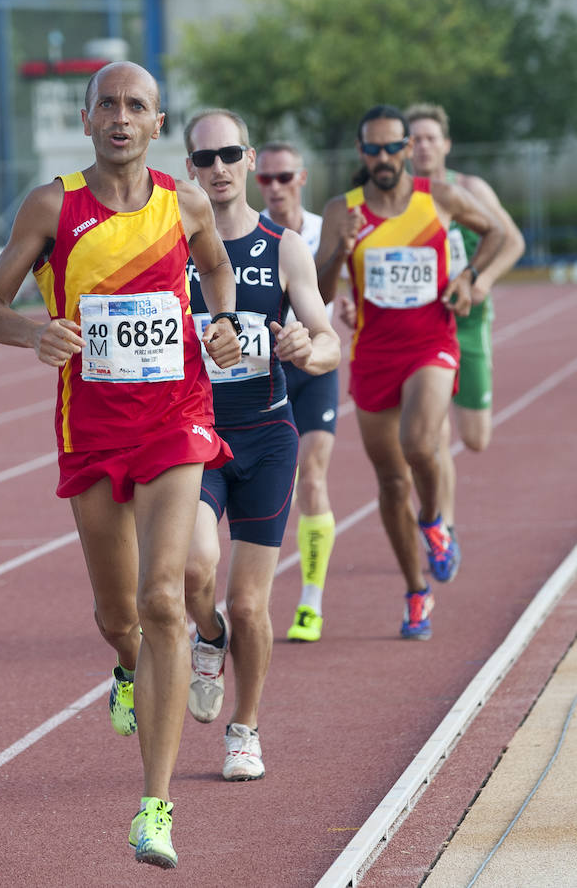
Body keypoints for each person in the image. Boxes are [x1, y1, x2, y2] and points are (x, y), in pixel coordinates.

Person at [0, 62, 242, 869]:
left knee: (165, 602)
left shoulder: (185, 202)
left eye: (137, 106)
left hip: (175, 420)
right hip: (89, 428)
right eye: (108, 106)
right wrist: (35, 334)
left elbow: (217, 268)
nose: (121, 117)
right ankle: (127, 669)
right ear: (86, 121)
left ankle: (153, 810)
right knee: (118, 618)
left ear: (159, 124)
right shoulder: (54, 205)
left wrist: (221, 322)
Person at [182, 109, 341, 779]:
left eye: (228, 154)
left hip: (267, 435)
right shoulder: (171, 245)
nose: (217, 168)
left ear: (248, 160)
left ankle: (243, 729)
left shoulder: (282, 246)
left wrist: (310, 346)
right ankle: (207, 636)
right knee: (194, 571)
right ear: (188, 167)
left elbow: (327, 340)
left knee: (249, 601)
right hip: (194, 434)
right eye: (203, 157)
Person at [316, 104, 504, 640]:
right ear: (361, 153)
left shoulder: (437, 198)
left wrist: (469, 277)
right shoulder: (341, 210)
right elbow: (323, 291)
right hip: (374, 352)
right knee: (391, 481)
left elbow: (494, 233)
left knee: (420, 445)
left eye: (391, 146)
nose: (382, 157)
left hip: (432, 340)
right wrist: (343, 249)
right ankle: (416, 591)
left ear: (407, 149)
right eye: (371, 148)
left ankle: (435, 523)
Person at [405, 103, 525, 534]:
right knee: (433, 434)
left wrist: (483, 278)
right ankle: (445, 526)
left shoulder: (470, 188)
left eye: (430, 138)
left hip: (469, 322)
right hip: (426, 326)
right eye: (414, 139)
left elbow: (513, 241)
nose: (422, 146)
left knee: (475, 439)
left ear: (446, 144)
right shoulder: (402, 195)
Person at [255, 141, 339, 644]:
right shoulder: (251, 235)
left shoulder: (325, 234)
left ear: (301, 178)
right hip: (263, 370)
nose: (275, 187)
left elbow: (354, 279)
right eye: (265, 178)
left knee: (312, 477)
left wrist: (348, 312)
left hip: (314, 368)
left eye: (283, 177)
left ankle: (310, 602)